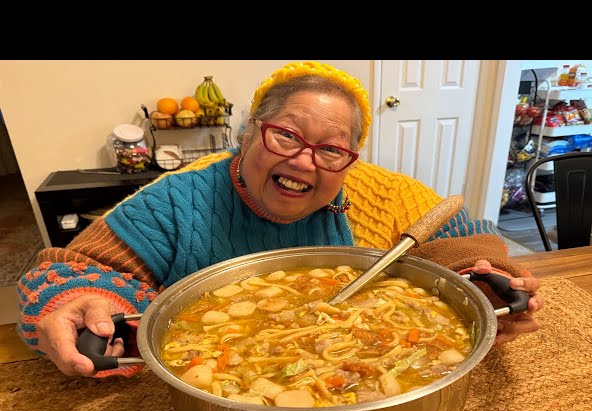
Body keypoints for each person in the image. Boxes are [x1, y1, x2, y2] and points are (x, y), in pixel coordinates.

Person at [17, 61, 542, 378]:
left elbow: (461, 243)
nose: (304, 160)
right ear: (248, 134)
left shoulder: (379, 192)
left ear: (349, 160)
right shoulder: (177, 200)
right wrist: (83, 302)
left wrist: (489, 284)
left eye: (332, 149)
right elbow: (77, 267)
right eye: (286, 135)